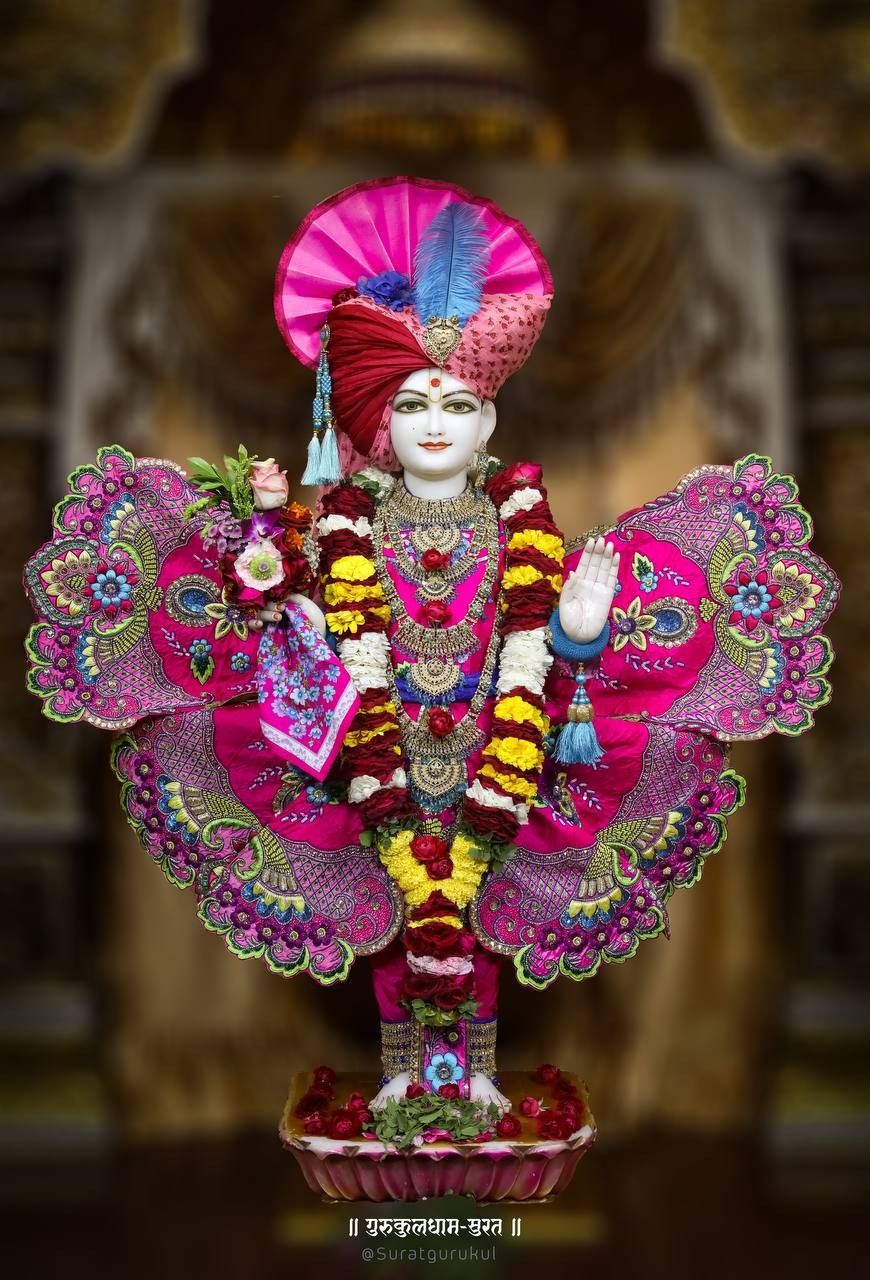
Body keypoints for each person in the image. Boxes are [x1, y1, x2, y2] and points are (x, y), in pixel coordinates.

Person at [24, 178, 840, 1119]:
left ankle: (475, 1078)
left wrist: (577, 630)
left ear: (490, 421)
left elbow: (532, 639)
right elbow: (310, 622)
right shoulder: (343, 530)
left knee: (480, 929)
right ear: (377, 424)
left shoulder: (519, 529)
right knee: (393, 933)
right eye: (412, 404)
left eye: (457, 403)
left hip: (504, 753)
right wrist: (268, 578)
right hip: (370, 763)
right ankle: (409, 1075)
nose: (437, 422)